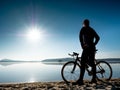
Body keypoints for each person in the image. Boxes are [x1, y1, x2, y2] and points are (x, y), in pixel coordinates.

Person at [78, 19, 100, 85]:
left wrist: (83, 45)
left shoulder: (84, 29)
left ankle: (82, 80)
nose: (85, 24)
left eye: (85, 23)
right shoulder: (89, 29)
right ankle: (93, 79)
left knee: (84, 62)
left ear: (84, 23)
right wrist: (93, 44)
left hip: (89, 48)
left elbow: (80, 38)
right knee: (89, 63)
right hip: (90, 48)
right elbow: (98, 38)